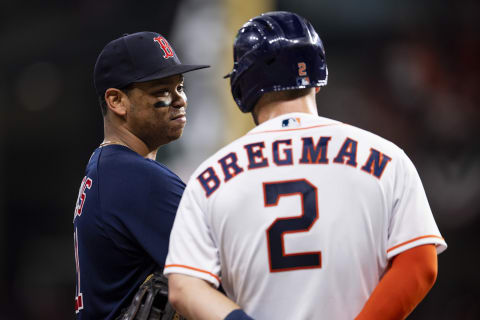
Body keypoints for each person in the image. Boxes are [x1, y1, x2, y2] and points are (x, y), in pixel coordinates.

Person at [163, 11, 447, 320]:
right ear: (318, 77)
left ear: (242, 88)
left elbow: (184, 288)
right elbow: (421, 265)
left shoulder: (209, 177)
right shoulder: (387, 158)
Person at [72, 31, 209, 319]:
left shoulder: (107, 169)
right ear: (117, 101)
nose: (180, 100)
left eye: (180, 87)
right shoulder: (135, 178)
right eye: (161, 91)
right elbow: (221, 274)